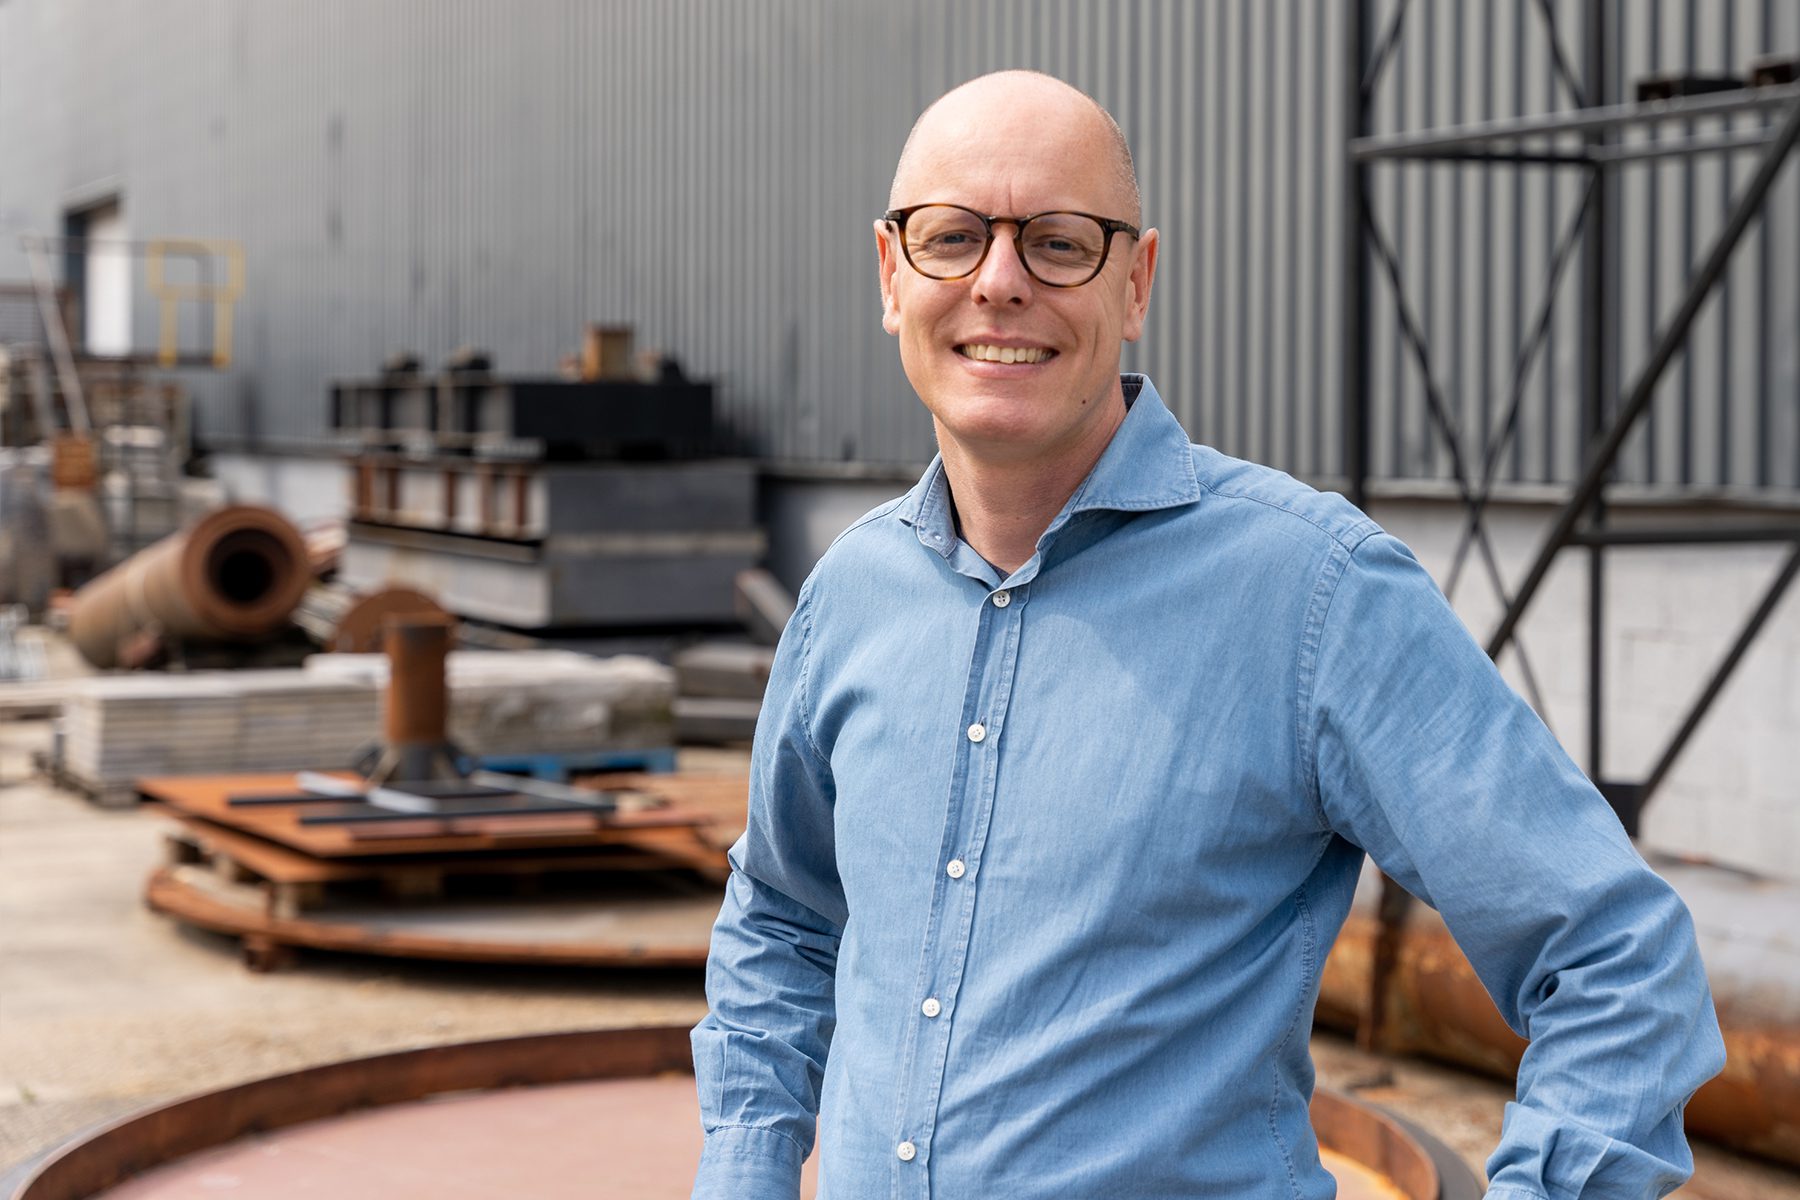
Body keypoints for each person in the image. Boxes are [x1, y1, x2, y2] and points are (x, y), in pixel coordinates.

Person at [691, 70, 1723, 1200]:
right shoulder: (851, 595)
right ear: (893, 275)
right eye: (952, 238)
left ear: (1136, 283)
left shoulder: (1313, 594)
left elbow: (1618, 964)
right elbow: (784, 920)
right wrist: (744, 1172)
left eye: (1058, 242)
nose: (999, 281)